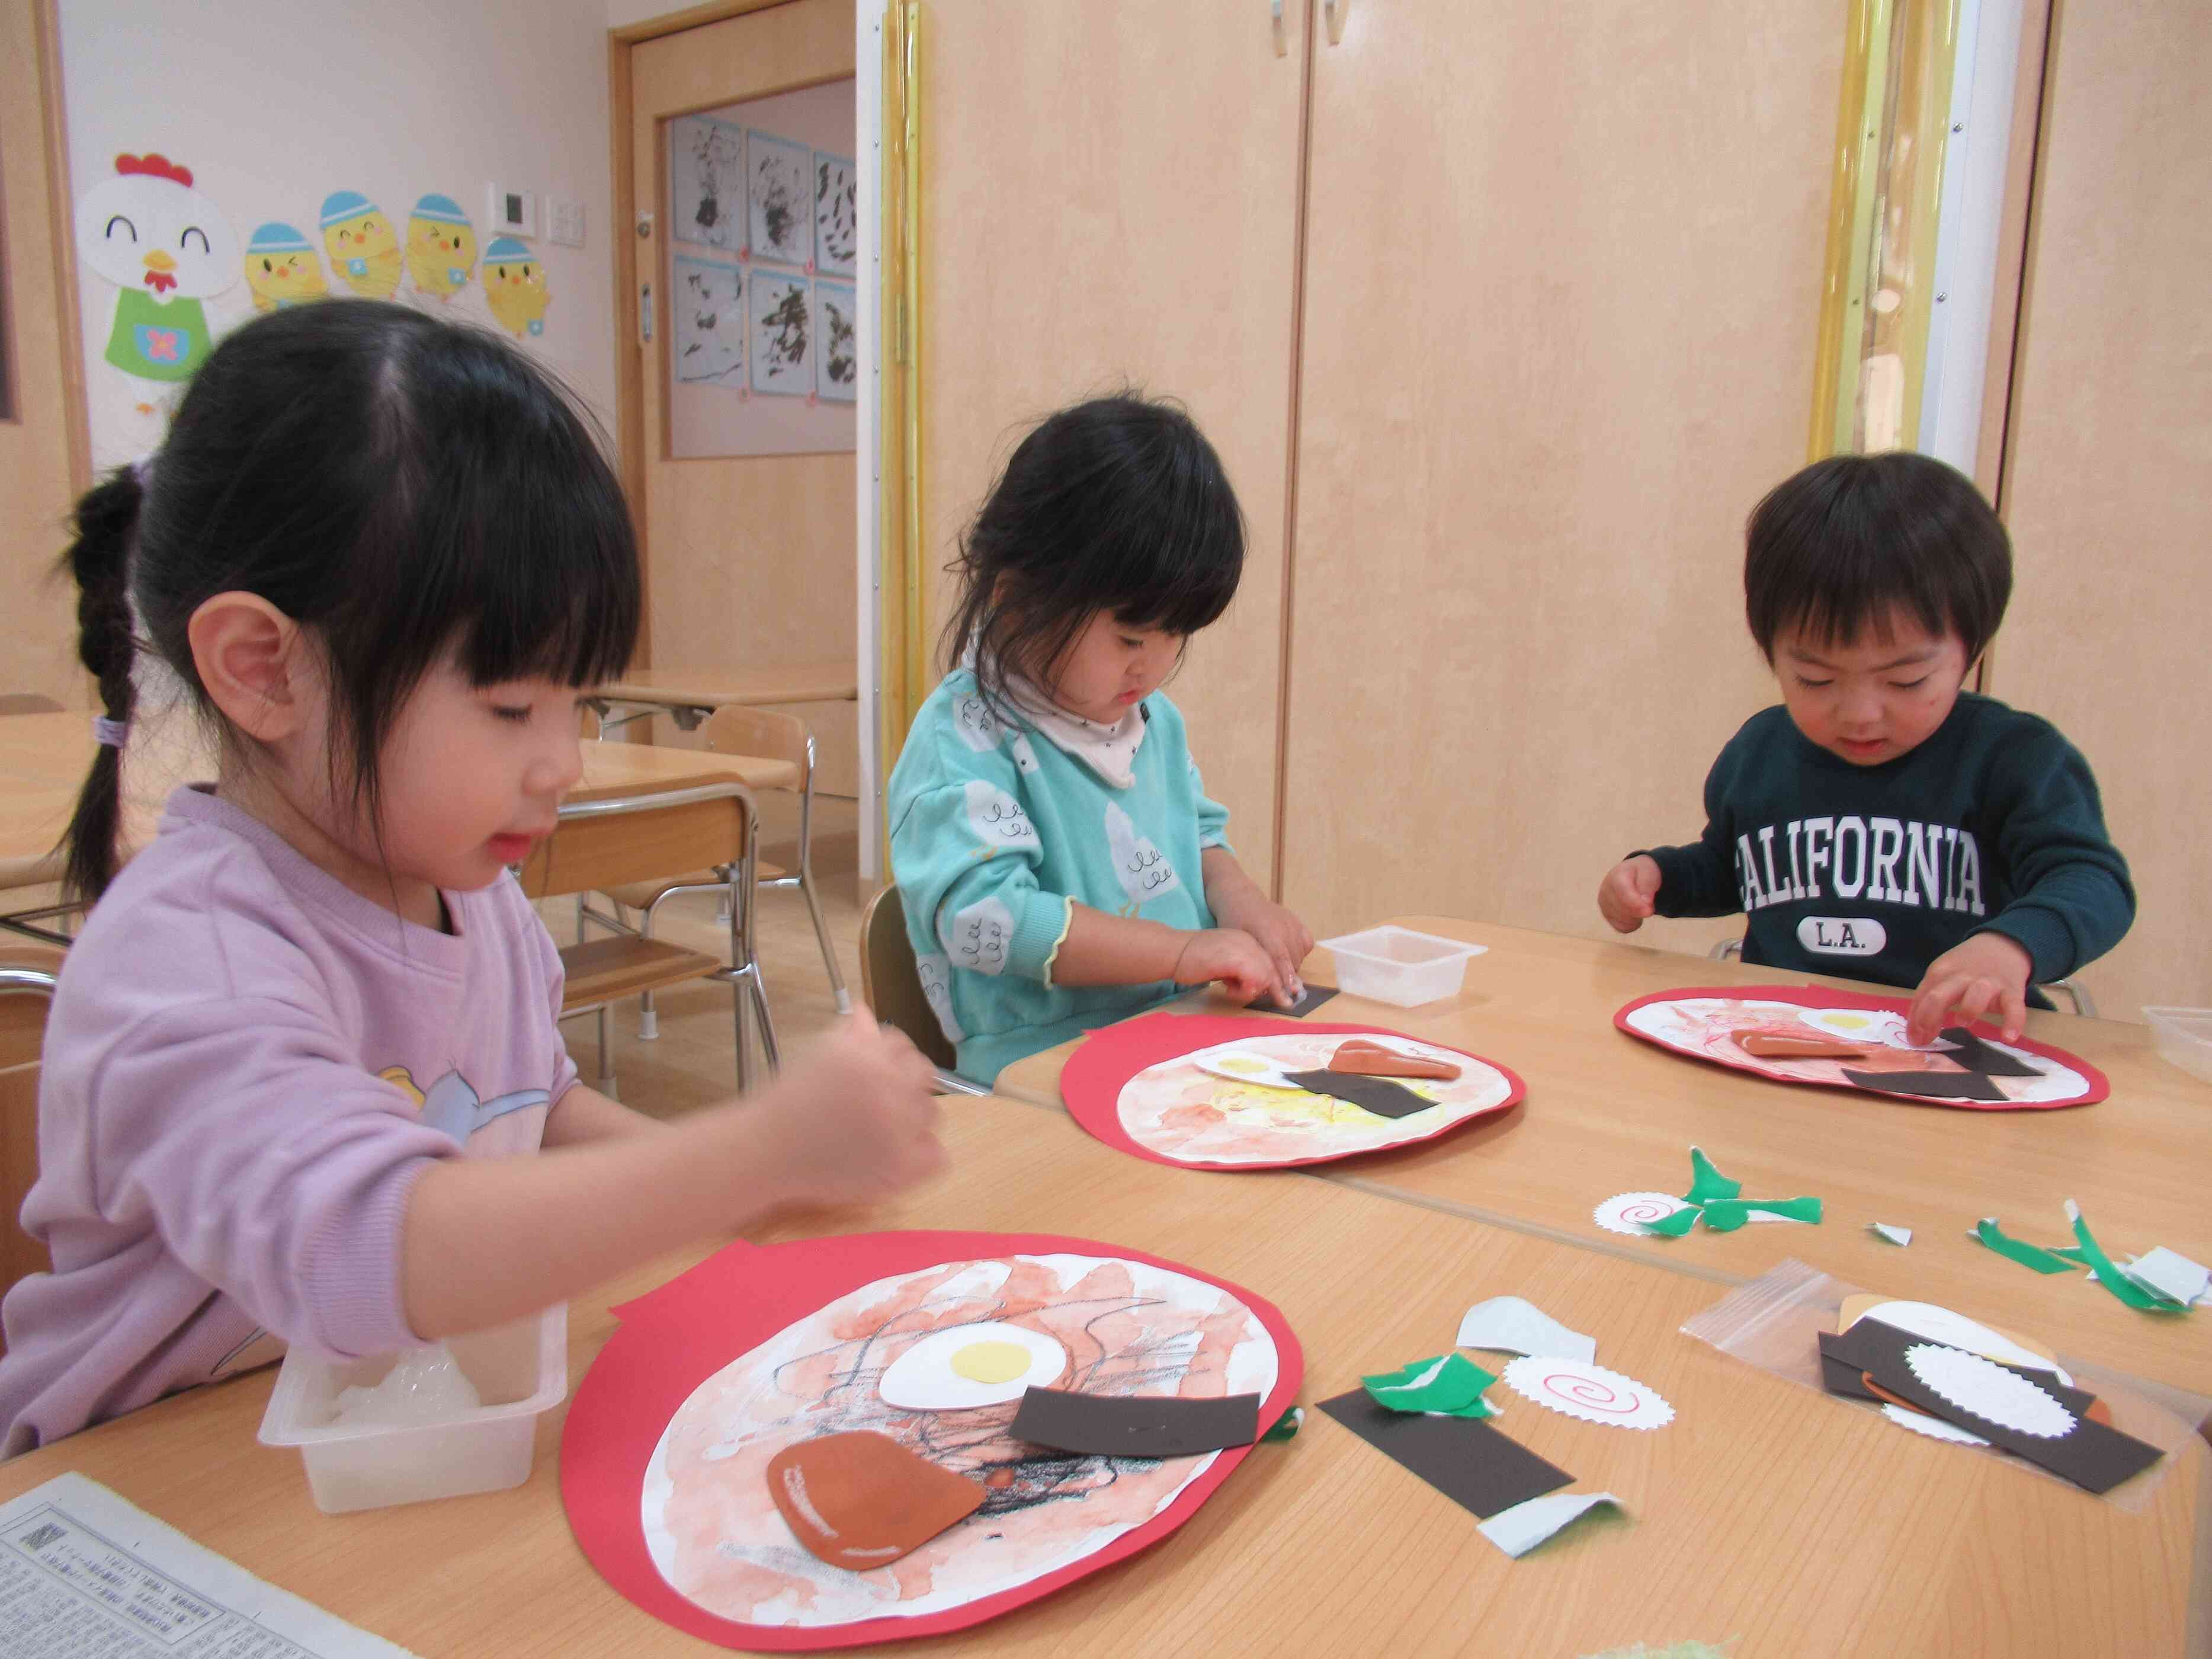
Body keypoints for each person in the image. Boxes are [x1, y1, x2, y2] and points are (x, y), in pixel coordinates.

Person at [0, 303, 941, 1455]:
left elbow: (530, 1110)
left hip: (393, 1428)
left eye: (577, 702)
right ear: (263, 668)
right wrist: (749, 1153)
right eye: (508, 707)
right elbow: (368, 1243)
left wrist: (744, 1188)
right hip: (151, 1479)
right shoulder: (187, 955)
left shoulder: (471, 892)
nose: (562, 760)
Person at [1598, 451, 2133, 1045]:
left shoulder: (2014, 758)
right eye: (1814, 680)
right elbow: (1731, 867)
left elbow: (2090, 880)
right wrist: (1656, 877)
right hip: (1788, 1039)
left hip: (1952, 1049)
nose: (1858, 713)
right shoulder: (1759, 751)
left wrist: (2011, 944)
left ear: (1968, 652)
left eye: (1905, 682)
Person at [889, 395, 1313, 1085]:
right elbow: (988, 915)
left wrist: (1244, 906)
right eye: (1129, 638)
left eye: (1176, 635)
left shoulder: (1151, 719)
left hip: (1173, 1040)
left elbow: (1198, 837)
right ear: (1016, 598)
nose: (1153, 665)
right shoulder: (963, 741)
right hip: (1040, 1069)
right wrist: (1180, 952)